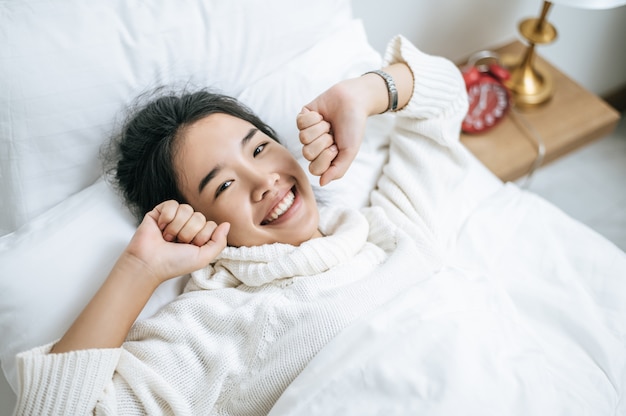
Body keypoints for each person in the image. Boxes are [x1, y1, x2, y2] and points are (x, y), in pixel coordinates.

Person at [14, 35, 476, 415]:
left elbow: (445, 100)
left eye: (257, 149)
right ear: (195, 221)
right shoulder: (217, 324)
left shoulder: (390, 231)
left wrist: (365, 93)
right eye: (223, 185)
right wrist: (139, 268)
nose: (264, 180)